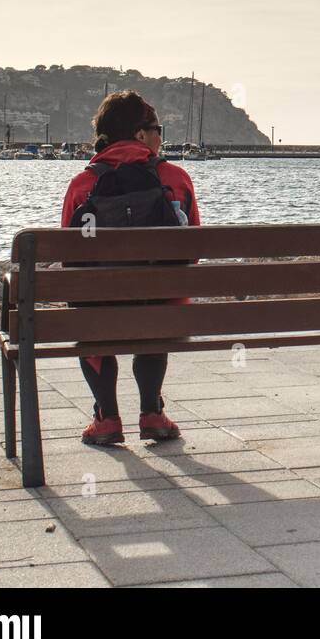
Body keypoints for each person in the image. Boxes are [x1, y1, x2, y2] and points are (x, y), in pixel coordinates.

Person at [61, 90, 200, 445]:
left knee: (89, 311)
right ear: (140, 134)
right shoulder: (176, 179)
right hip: (161, 311)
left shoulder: (82, 185)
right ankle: (151, 412)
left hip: (98, 313)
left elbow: (68, 257)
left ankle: (106, 419)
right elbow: (194, 252)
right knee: (160, 303)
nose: (160, 137)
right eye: (157, 129)